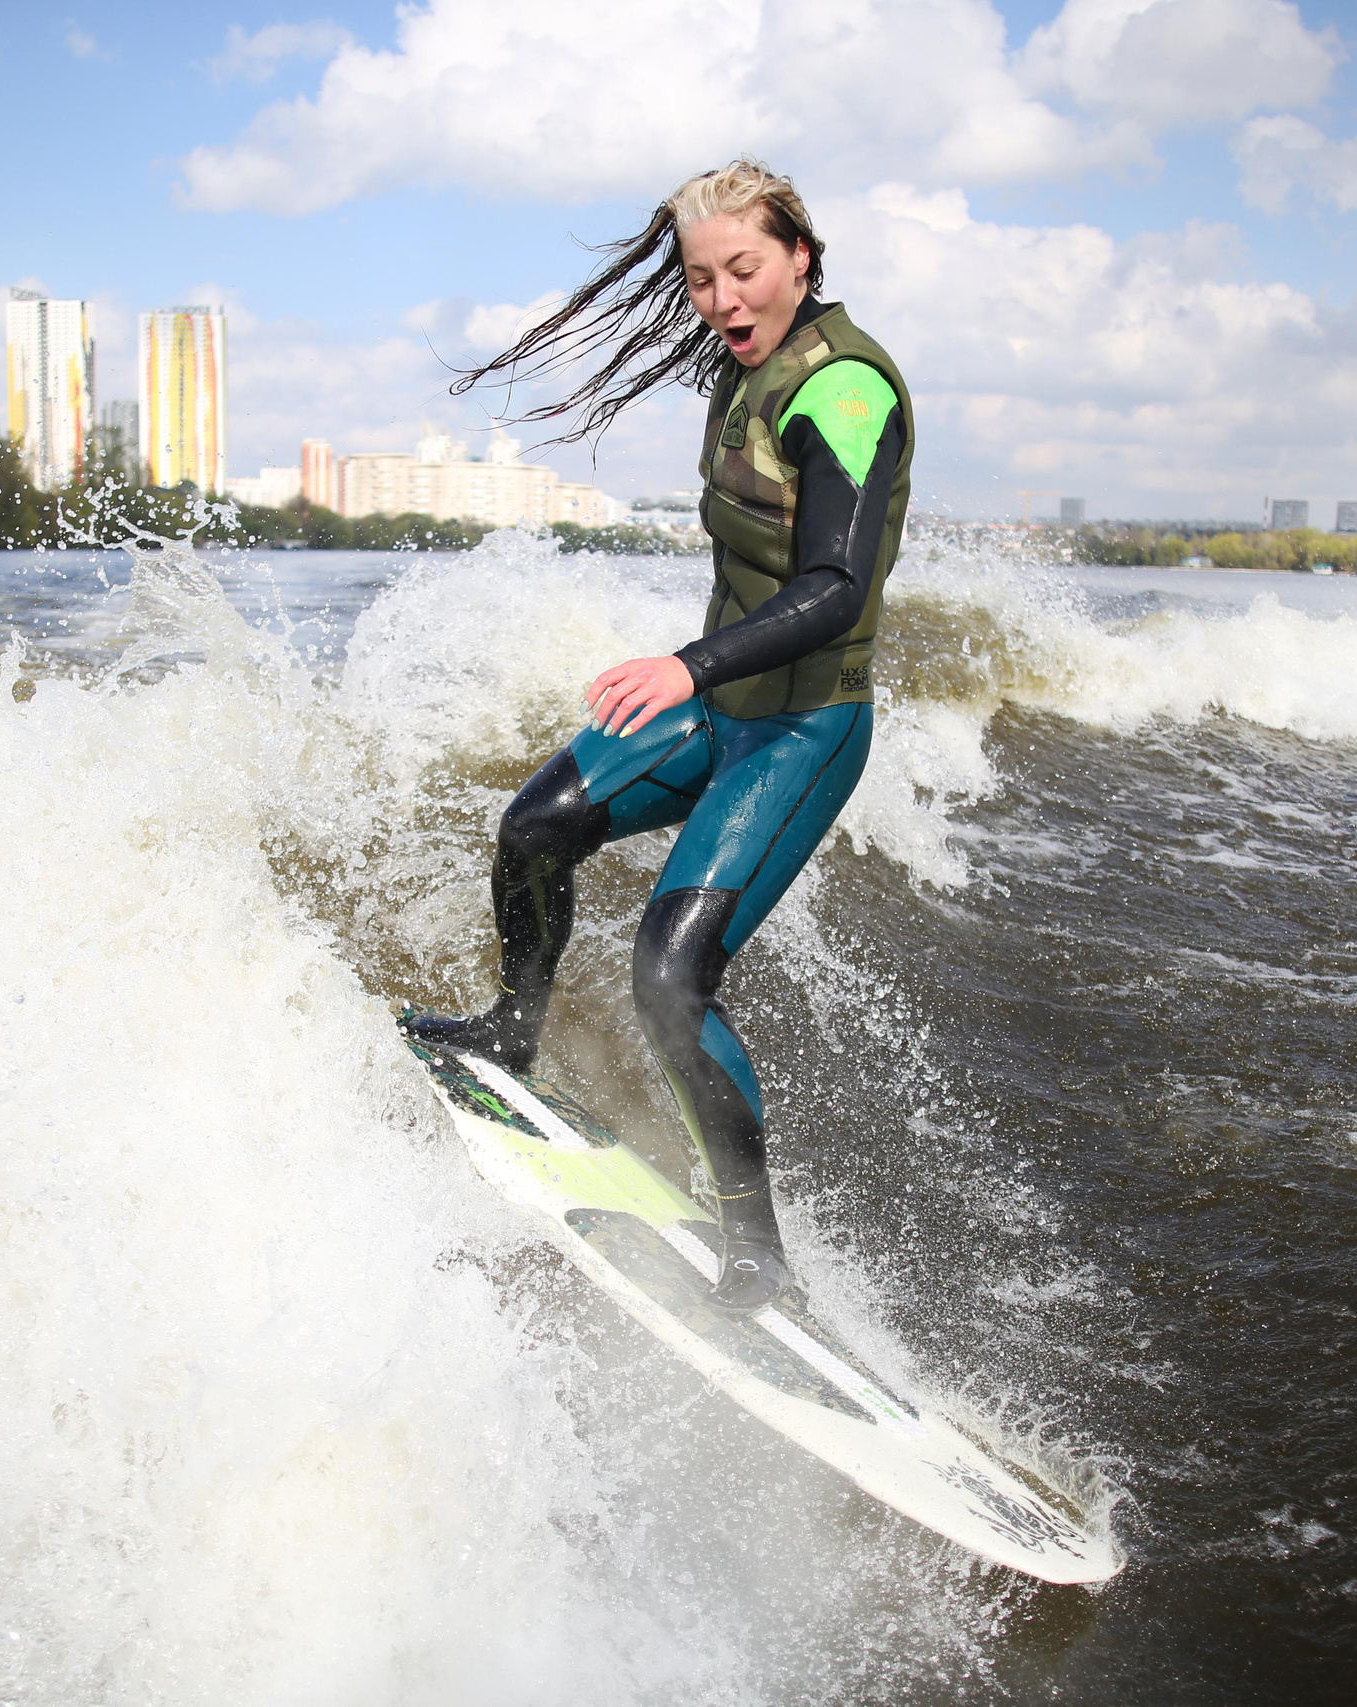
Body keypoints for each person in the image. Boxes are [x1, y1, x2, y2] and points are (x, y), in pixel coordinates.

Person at [403, 159, 913, 1315]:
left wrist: (682, 665)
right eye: (699, 280)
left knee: (672, 977)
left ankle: (758, 1251)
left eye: (745, 270)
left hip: (801, 727)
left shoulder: (845, 394)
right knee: (535, 828)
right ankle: (511, 1031)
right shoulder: (745, 366)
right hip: (724, 711)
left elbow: (835, 584)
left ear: (801, 258)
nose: (723, 300)